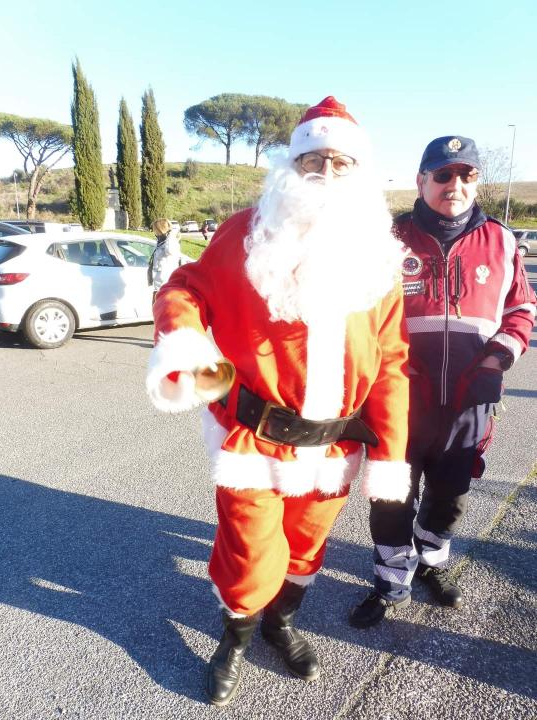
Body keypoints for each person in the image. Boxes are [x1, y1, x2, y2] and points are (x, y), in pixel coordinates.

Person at [146, 96, 411, 706]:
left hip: (335, 446)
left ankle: (280, 623)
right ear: (291, 167)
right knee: (248, 551)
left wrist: (391, 455)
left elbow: (393, 360)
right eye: (313, 159)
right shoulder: (246, 232)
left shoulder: (379, 256)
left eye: (341, 162)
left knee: (306, 549)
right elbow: (183, 287)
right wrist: (187, 343)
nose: (326, 173)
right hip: (253, 441)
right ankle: (234, 639)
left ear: (361, 174)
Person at [350, 135, 536, 628]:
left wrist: (497, 361)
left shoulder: (500, 240)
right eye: (443, 174)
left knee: (449, 496)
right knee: (391, 496)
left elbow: (521, 310)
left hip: (469, 404)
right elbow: (360, 316)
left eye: (467, 175)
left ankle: (431, 564)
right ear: (421, 180)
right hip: (400, 403)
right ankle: (390, 585)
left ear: (477, 182)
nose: (455, 184)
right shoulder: (388, 239)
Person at [149, 218, 182, 304]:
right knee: (157, 315)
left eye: (155, 230)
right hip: (158, 287)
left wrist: (171, 234)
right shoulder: (161, 243)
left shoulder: (171, 243)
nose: (154, 233)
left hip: (167, 288)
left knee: (165, 315)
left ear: (161, 230)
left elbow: (170, 250)